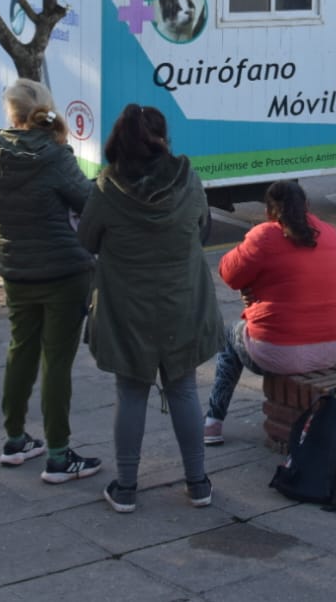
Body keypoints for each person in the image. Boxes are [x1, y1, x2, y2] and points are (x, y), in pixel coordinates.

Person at [79, 104, 223, 514]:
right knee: (182, 388)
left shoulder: (106, 189)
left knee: (130, 391)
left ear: (117, 141)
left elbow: (86, 240)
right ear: (162, 138)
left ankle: (126, 488)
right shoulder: (189, 182)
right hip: (182, 302)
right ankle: (198, 484)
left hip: (127, 308)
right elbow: (202, 230)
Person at [0, 78, 101, 484]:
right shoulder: (55, 156)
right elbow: (89, 203)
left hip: (15, 269)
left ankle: (15, 440)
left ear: (10, 114)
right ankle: (59, 455)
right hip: (64, 273)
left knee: (21, 351)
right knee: (57, 364)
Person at [203, 181, 336, 446]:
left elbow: (227, 272)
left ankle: (213, 422)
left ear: (269, 211)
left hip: (277, 351)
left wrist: (253, 284)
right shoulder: (330, 233)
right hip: (332, 349)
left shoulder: (265, 236)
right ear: (307, 206)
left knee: (229, 337)